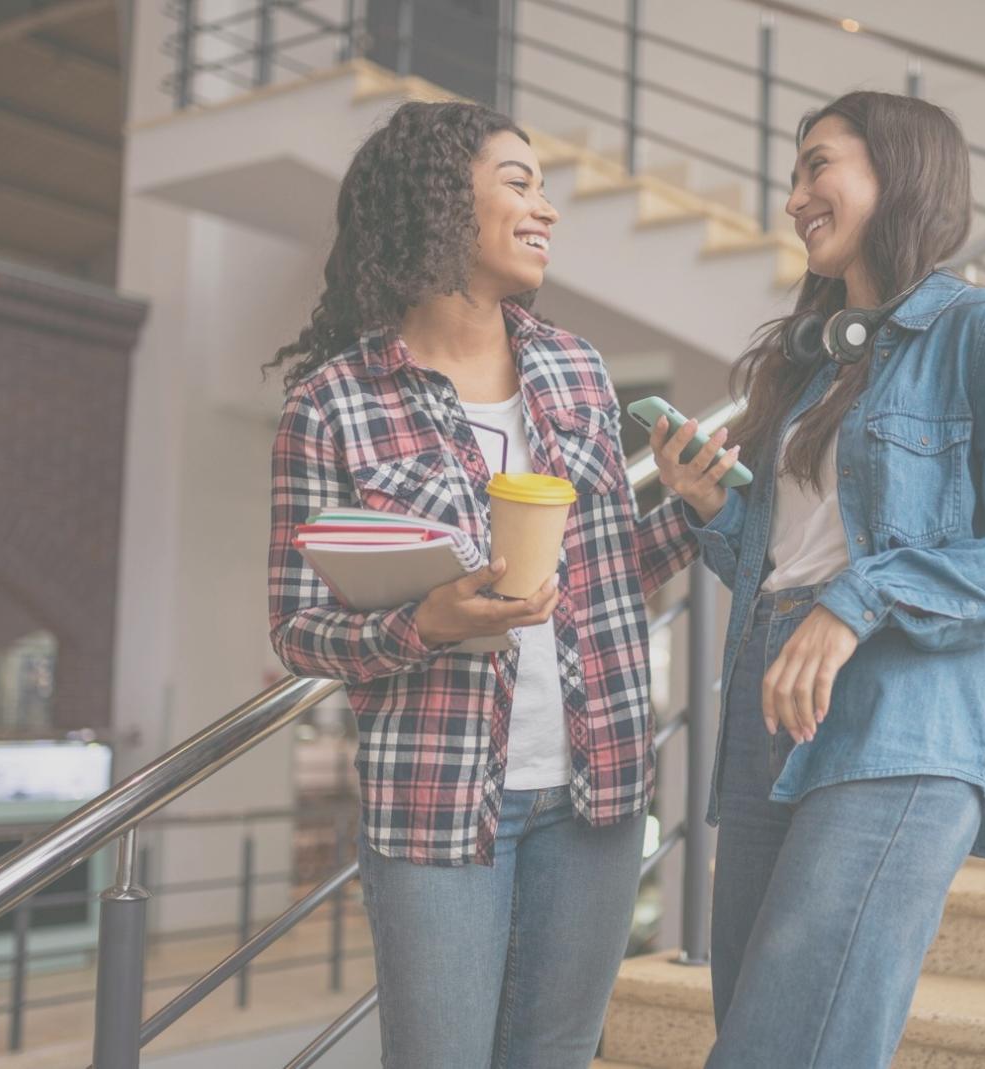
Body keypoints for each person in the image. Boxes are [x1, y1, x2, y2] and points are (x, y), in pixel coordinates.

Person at [649, 90, 985, 1068]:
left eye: (818, 165)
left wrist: (858, 601)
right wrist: (714, 511)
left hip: (903, 716)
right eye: (795, 171)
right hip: (772, 703)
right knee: (766, 1024)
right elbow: (786, 568)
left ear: (896, 172)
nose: (793, 196)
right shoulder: (807, 370)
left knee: (785, 1044)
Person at [265, 100, 699, 1069]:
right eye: (518, 181)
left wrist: (689, 510)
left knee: (553, 1056)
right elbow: (297, 627)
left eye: (542, 187)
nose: (543, 206)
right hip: (435, 794)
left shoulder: (577, 368)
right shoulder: (332, 403)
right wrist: (421, 623)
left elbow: (606, 575)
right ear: (440, 204)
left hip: (596, 789)